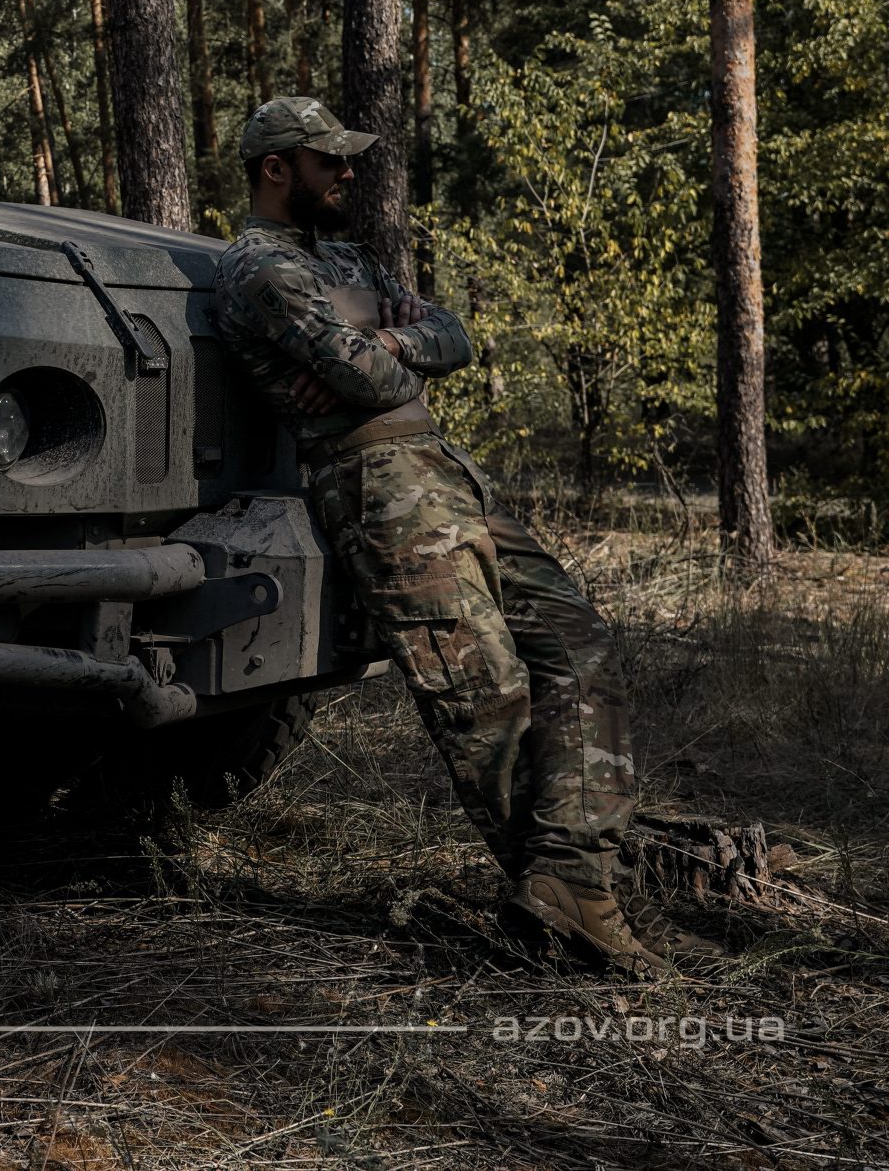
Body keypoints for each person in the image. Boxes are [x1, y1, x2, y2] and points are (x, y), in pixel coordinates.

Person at [211, 96, 711, 976]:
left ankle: (566, 877)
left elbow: (453, 333)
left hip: (449, 472)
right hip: (379, 489)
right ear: (276, 168)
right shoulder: (257, 268)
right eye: (330, 161)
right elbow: (363, 377)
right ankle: (577, 906)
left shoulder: (347, 258)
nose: (348, 174)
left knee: (579, 639)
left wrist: (377, 336)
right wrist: (379, 346)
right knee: (483, 697)